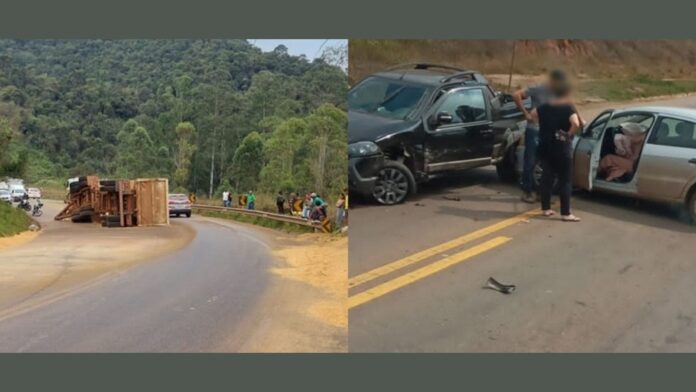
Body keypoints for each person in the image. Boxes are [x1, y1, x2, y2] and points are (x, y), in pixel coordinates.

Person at [531, 70, 582, 222]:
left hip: (545, 145)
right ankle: (566, 213)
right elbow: (576, 123)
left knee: (547, 177)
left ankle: (545, 208)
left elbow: (532, 115)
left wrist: (543, 125)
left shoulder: (544, 105)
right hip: (561, 147)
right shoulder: (568, 106)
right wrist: (567, 135)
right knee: (565, 179)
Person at [513, 72, 557, 203]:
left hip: (548, 132)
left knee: (546, 163)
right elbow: (516, 95)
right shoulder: (538, 89)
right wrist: (526, 113)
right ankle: (528, 191)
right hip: (534, 130)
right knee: (530, 161)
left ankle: (541, 192)